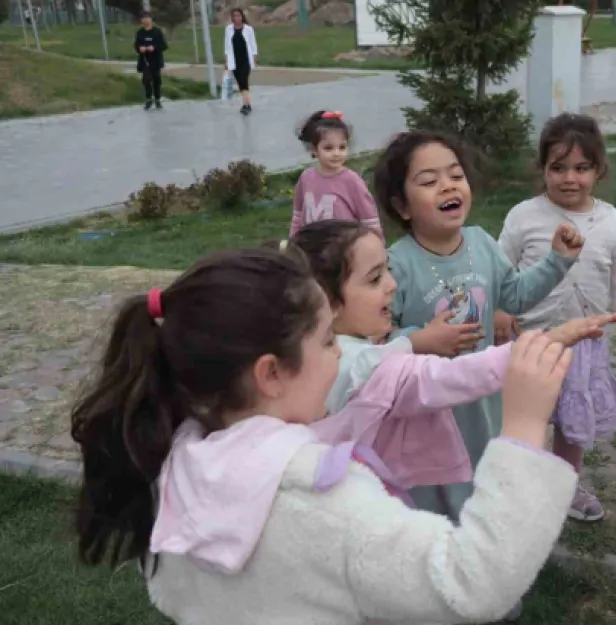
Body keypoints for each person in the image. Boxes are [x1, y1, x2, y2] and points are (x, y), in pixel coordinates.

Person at [70, 246, 588, 624]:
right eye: (326, 341)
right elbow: (473, 583)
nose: (340, 353)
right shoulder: (323, 499)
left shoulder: (170, 462)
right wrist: (522, 430)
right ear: (271, 373)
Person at [291, 220, 616, 496]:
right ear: (329, 302)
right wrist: (548, 342)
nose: (392, 286)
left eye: (386, 273)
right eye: (375, 279)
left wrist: (410, 340)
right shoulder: (362, 366)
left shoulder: (308, 353)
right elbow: (456, 376)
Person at [374, 131, 583, 519]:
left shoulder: (482, 244)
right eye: (429, 181)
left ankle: (487, 536)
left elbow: (514, 297)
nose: (447, 186)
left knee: (485, 472)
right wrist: (419, 339)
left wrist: (557, 261)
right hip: (431, 409)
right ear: (402, 206)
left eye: (455, 175)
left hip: (485, 400)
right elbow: (376, 342)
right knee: (437, 488)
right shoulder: (396, 265)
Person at [496, 114, 616, 523]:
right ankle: (515, 482)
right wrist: (501, 309)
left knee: (570, 422)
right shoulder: (523, 217)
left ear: (599, 169)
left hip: (583, 345)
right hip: (531, 341)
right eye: (558, 168)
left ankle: (565, 484)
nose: (569, 178)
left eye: (582, 168)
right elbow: (500, 270)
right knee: (525, 416)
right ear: (542, 168)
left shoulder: (613, 224)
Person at [289, 111, 382, 238]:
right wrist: (293, 242)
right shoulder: (306, 178)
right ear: (314, 149)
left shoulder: (352, 181)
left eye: (342, 147)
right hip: (311, 249)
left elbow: (369, 220)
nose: (336, 153)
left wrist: (376, 248)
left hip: (344, 250)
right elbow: (298, 216)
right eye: (328, 148)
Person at [224, 8, 258, 115]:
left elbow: (253, 44)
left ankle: (246, 105)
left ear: (242, 16)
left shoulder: (248, 29)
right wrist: (226, 61)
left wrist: (254, 57)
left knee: (244, 80)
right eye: (234, 16)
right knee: (240, 82)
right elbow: (227, 46)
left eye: (238, 15)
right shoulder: (228, 29)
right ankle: (246, 104)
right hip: (234, 60)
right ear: (232, 18)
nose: (237, 18)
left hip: (245, 60)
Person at [134, 11, 168, 111]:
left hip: (155, 59)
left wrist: (154, 47)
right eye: (143, 18)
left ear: (151, 19)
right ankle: (148, 99)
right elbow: (136, 45)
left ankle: (157, 99)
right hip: (145, 60)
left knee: (156, 79)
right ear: (141, 20)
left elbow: (163, 45)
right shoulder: (140, 33)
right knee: (146, 79)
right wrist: (140, 48)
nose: (146, 20)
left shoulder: (157, 31)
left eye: (147, 18)